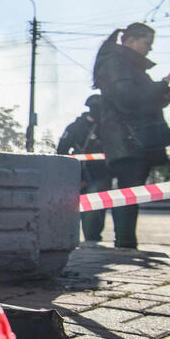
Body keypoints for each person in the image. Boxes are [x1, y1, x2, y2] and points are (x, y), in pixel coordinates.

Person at [93, 22, 170, 249]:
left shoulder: (127, 65)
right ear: (130, 41)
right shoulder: (116, 62)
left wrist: (166, 97)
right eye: (146, 43)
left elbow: (138, 101)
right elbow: (127, 97)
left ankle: (126, 242)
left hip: (131, 138)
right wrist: (160, 86)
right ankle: (125, 243)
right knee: (129, 191)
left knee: (132, 192)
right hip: (127, 139)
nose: (149, 49)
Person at [57, 95, 111, 245]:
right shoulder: (76, 127)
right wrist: (71, 174)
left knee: (98, 210)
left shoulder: (107, 127)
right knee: (80, 210)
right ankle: (87, 240)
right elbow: (61, 150)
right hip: (80, 173)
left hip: (102, 174)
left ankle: (92, 239)